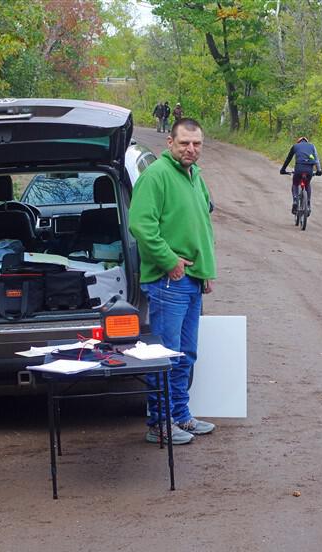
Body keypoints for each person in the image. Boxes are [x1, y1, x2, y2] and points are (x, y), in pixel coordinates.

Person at [129, 118, 217, 445]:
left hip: (191, 280)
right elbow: (141, 226)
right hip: (169, 280)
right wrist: (170, 261)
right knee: (165, 354)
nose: (191, 149)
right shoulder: (156, 176)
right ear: (170, 143)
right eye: (184, 143)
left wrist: (205, 271)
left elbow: (202, 229)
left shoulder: (195, 176)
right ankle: (159, 422)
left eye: (196, 144)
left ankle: (181, 415)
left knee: (185, 354)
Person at [280, 136, 322, 215]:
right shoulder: (312, 146)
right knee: (307, 184)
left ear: (298, 142)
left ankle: (295, 200)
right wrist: (319, 170)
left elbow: (288, 159)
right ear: (307, 141)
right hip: (309, 169)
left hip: (299, 168)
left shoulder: (295, 146)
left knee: (295, 184)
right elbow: (316, 159)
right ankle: (308, 204)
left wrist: (283, 169)